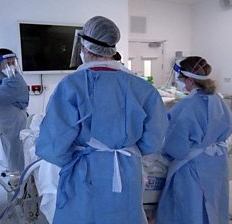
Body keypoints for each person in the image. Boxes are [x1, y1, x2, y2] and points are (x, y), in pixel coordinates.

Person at [35, 16, 168, 224]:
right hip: (128, 170)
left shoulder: (71, 86)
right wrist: (128, 153)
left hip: (85, 173)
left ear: (85, 47)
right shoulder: (142, 88)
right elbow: (154, 139)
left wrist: (83, 158)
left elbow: (53, 146)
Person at [155, 56, 232, 224]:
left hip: (194, 166)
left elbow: (175, 145)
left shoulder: (187, 105)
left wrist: (164, 153)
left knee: (190, 206)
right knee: (215, 201)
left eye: (182, 80)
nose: (181, 83)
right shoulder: (217, 100)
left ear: (190, 80)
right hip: (217, 162)